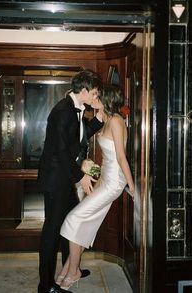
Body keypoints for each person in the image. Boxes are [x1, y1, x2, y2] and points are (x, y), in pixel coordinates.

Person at [57, 84, 135, 290]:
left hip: (114, 183)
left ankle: (73, 272)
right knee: (84, 224)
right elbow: (106, 160)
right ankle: (68, 269)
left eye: (98, 96)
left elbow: (120, 158)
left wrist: (132, 187)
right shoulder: (106, 119)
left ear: (107, 99)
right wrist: (97, 180)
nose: (95, 98)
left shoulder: (117, 121)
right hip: (104, 181)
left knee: (73, 219)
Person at [37, 69, 104, 293]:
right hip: (56, 180)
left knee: (71, 224)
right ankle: (45, 285)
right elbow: (61, 151)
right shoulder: (63, 111)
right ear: (83, 91)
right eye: (94, 93)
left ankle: (70, 268)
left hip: (64, 179)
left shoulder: (76, 109)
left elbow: (80, 137)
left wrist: (101, 118)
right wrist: (82, 176)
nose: (95, 96)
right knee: (52, 231)